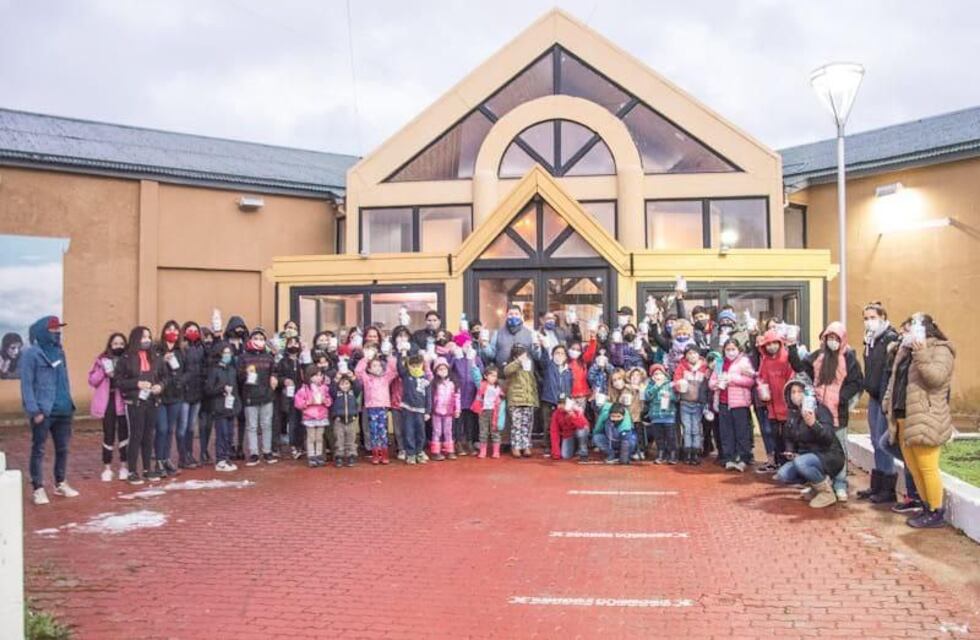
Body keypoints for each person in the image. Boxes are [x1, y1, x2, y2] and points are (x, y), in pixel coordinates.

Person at [883, 314, 955, 528]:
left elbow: (936, 378)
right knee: (914, 467)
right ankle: (925, 505)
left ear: (926, 330)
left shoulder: (941, 350)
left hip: (926, 415)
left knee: (927, 467)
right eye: (905, 330)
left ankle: (936, 511)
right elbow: (895, 380)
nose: (905, 334)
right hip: (904, 415)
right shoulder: (906, 351)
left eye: (910, 329)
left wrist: (921, 352)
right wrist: (888, 402)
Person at [789, 321, 863, 501]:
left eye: (836, 338)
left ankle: (840, 484)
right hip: (819, 413)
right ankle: (821, 484)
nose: (832, 341)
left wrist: (842, 397)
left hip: (838, 412)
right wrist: (791, 346)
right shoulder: (817, 357)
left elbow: (857, 382)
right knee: (820, 449)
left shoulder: (849, 358)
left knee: (839, 450)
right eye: (829, 337)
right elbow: (800, 367)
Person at [20, 316, 77, 504]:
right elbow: (27, 384)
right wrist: (34, 410)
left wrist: (69, 403)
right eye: (53, 329)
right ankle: (38, 487)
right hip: (43, 411)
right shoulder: (31, 353)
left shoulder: (60, 351)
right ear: (43, 331)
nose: (57, 332)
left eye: (58, 329)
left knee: (63, 449)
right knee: (39, 449)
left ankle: (60, 483)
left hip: (64, 410)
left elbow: (64, 380)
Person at [775, 373, 846, 509]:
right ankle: (816, 487)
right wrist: (790, 451)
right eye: (793, 392)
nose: (796, 395)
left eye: (800, 391)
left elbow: (828, 437)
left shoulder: (820, 410)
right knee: (783, 474)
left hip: (829, 456)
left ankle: (827, 493)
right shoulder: (792, 414)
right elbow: (788, 436)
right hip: (807, 457)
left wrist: (814, 424)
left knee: (801, 463)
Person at [858, 302, 901, 503]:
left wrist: (886, 400)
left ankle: (887, 489)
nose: (868, 322)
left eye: (872, 317)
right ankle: (877, 486)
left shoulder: (890, 339)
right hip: (873, 396)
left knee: (883, 442)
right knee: (875, 441)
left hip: (884, 398)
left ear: (883, 317)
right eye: (866, 318)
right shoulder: (871, 340)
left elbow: (889, 372)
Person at [116, 326, 167, 484]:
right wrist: (137, 383)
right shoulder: (126, 358)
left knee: (148, 435)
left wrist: (161, 386)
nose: (147, 340)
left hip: (152, 400)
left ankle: (147, 469)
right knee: (136, 435)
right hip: (135, 401)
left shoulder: (156, 357)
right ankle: (132, 470)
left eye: (149, 337)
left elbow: (164, 376)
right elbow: (119, 381)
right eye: (144, 337)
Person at [87, 332, 129, 482]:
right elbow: (92, 381)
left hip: (122, 401)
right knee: (108, 434)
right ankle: (107, 468)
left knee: (124, 435)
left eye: (121, 344)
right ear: (110, 345)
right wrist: (104, 372)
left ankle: (124, 466)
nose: (118, 346)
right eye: (115, 344)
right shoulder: (101, 360)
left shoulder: (128, 360)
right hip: (107, 402)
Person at [709, 339, 756, 472]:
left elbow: (751, 380)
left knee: (742, 432)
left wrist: (733, 379)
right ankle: (728, 458)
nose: (730, 352)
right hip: (723, 402)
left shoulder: (744, 362)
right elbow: (711, 382)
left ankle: (743, 458)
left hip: (740, 402)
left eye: (733, 349)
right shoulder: (719, 363)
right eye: (728, 349)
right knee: (726, 432)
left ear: (738, 349)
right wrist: (716, 383)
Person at [755, 329, 795, 474]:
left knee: (787, 436)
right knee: (774, 435)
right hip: (771, 404)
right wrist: (762, 390)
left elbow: (792, 379)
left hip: (786, 404)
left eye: (774, 343)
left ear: (780, 343)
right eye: (768, 344)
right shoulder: (765, 361)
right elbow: (761, 378)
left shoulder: (786, 358)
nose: (771, 346)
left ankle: (788, 466)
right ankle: (779, 463)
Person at [238, 328, 279, 466]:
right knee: (252, 426)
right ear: (250, 340)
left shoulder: (269, 357)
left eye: (261, 339)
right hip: (250, 396)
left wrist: (274, 377)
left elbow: (274, 371)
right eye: (256, 338)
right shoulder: (244, 357)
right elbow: (239, 376)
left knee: (267, 424)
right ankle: (254, 453)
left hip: (267, 395)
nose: (259, 341)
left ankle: (267, 451)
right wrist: (246, 374)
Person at [355, 345, 399, 465]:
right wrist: (365, 358)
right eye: (374, 366)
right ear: (369, 368)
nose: (377, 368)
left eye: (379, 365)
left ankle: (384, 454)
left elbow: (394, 370)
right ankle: (375, 454)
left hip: (383, 407)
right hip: (371, 407)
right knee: (373, 431)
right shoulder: (367, 378)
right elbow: (358, 372)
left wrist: (389, 356)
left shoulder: (385, 378)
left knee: (383, 432)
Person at [155, 320, 185, 477]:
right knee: (162, 428)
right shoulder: (157, 349)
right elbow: (151, 368)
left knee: (170, 429)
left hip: (176, 395)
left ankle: (166, 458)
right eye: (169, 329)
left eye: (175, 329)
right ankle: (158, 460)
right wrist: (162, 360)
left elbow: (186, 371)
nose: (172, 332)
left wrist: (181, 382)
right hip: (160, 394)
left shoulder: (181, 351)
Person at [206, 342, 241, 473]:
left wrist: (237, 404)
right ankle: (220, 459)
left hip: (231, 406)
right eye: (225, 353)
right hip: (219, 406)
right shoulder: (214, 370)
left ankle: (226, 457)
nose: (227, 355)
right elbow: (209, 389)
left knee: (230, 434)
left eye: (229, 353)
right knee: (222, 433)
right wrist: (221, 389)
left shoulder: (232, 370)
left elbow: (236, 388)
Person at [672, 344, 709, 465]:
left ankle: (696, 452)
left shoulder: (704, 367)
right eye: (689, 353)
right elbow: (676, 380)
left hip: (698, 404)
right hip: (685, 403)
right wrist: (678, 385)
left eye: (694, 353)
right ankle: (687, 451)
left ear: (699, 354)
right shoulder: (681, 367)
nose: (692, 356)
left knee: (696, 428)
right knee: (687, 428)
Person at [177, 321, 206, 469]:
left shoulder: (202, 347)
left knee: (191, 427)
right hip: (184, 393)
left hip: (197, 392)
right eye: (190, 330)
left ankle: (189, 454)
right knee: (182, 426)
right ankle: (182, 456)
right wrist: (182, 383)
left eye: (196, 330)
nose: (193, 332)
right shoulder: (182, 348)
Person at [293, 364, 333, 468]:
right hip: (309, 416)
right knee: (311, 437)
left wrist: (326, 401)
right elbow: (298, 403)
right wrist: (308, 402)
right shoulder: (304, 389)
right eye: (315, 375)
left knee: (319, 437)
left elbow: (329, 400)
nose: (318, 377)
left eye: (320, 375)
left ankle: (319, 456)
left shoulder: (324, 388)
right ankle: (311, 456)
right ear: (309, 377)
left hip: (321, 415)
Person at [503, 344, 539, 458]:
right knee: (516, 425)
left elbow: (532, 383)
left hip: (528, 400)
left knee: (527, 424)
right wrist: (518, 361)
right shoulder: (511, 365)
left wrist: (534, 399)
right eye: (519, 353)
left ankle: (526, 445)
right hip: (516, 400)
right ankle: (516, 446)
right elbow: (506, 371)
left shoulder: (529, 366)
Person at [398, 352, 432, 465]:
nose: (415, 368)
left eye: (418, 365)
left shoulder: (426, 378)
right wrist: (401, 354)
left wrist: (428, 411)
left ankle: (419, 451)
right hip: (408, 410)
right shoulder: (406, 376)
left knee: (420, 433)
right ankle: (410, 453)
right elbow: (400, 368)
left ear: (422, 365)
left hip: (421, 411)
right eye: (412, 365)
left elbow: (429, 397)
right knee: (408, 432)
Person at [276, 334, 304, 459]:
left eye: (296, 343)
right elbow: (278, 376)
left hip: (303, 394)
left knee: (302, 420)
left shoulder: (303, 360)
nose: (293, 345)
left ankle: (302, 445)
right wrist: (284, 381)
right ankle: (293, 446)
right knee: (292, 421)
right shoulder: (283, 361)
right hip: (288, 395)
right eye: (290, 343)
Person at [644, 364, 678, 464]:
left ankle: (672, 454)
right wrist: (656, 386)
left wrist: (670, 395)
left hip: (669, 415)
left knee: (671, 437)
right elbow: (647, 397)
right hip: (656, 416)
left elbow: (676, 398)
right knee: (659, 437)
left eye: (660, 373)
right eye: (655, 374)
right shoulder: (650, 385)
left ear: (664, 374)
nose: (658, 376)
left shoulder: (669, 384)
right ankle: (660, 453)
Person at [429, 357, 461, 461]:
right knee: (437, 431)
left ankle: (450, 451)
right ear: (436, 371)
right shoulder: (433, 383)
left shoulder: (453, 383)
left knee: (448, 431)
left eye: (445, 369)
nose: (443, 371)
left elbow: (457, 397)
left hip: (449, 412)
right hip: (436, 412)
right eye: (440, 369)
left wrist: (457, 409)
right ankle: (435, 452)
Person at [471, 364, 503, 459]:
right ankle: (483, 450)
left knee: (495, 431)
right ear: (485, 376)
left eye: (495, 376)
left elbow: (501, 399)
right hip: (483, 411)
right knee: (483, 431)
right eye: (491, 375)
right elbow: (476, 376)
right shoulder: (481, 385)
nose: (494, 378)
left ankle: (496, 451)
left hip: (494, 412)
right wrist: (474, 366)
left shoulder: (498, 387)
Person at [330, 371, 361, 468]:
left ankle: (351, 455)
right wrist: (337, 378)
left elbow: (358, 387)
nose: (345, 386)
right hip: (339, 420)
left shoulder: (353, 393)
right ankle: (339, 456)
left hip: (351, 419)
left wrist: (352, 377)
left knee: (351, 439)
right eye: (342, 384)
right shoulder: (337, 394)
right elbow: (331, 389)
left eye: (347, 383)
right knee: (339, 439)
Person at [549, 395, 590, 461]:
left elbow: (582, 425)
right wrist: (556, 453)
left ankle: (583, 452)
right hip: (568, 435)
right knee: (565, 456)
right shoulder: (556, 414)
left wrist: (572, 415)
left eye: (564, 403)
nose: (561, 405)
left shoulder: (577, 410)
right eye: (559, 403)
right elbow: (554, 432)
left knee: (581, 432)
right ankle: (575, 448)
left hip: (579, 431)